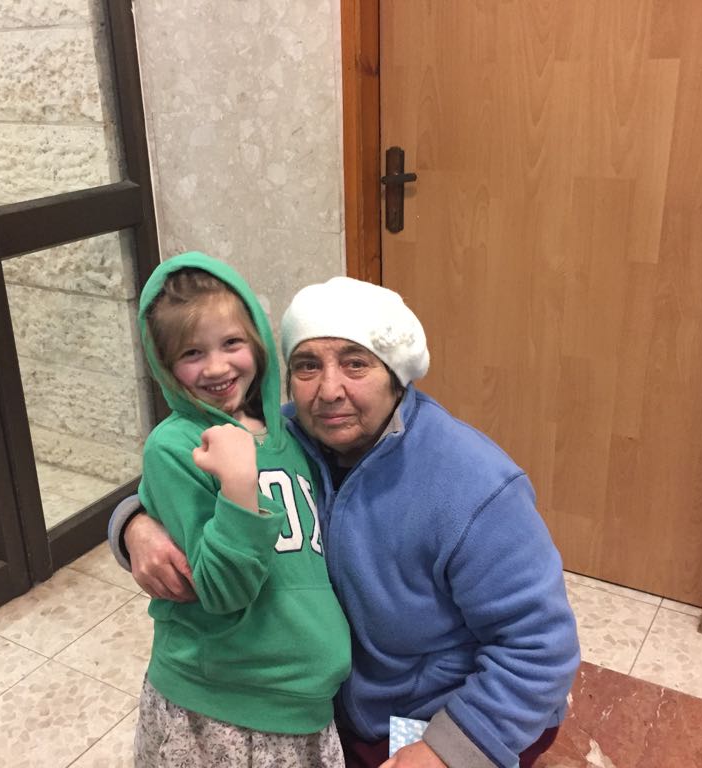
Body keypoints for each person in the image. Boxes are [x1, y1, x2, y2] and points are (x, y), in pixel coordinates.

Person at [110, 275, 580, 768]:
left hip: (448, 714)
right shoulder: (286, 438)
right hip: (325, 706)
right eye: (307, 366)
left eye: (356, 363)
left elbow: (540, 647)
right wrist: (133, 524)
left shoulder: (475, 485)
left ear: (396, 375)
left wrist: (448, 750)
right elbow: (184, 481)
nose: (329, 390)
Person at [124, 252, 350, 767]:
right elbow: (222, 591)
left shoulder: (290, 435)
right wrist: (238, 487)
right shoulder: (177, 447)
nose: (217, 367)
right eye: (191, 352)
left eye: (231, 343)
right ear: (164, 365)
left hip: (304, 702)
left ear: (258, 342)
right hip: (221, 706)